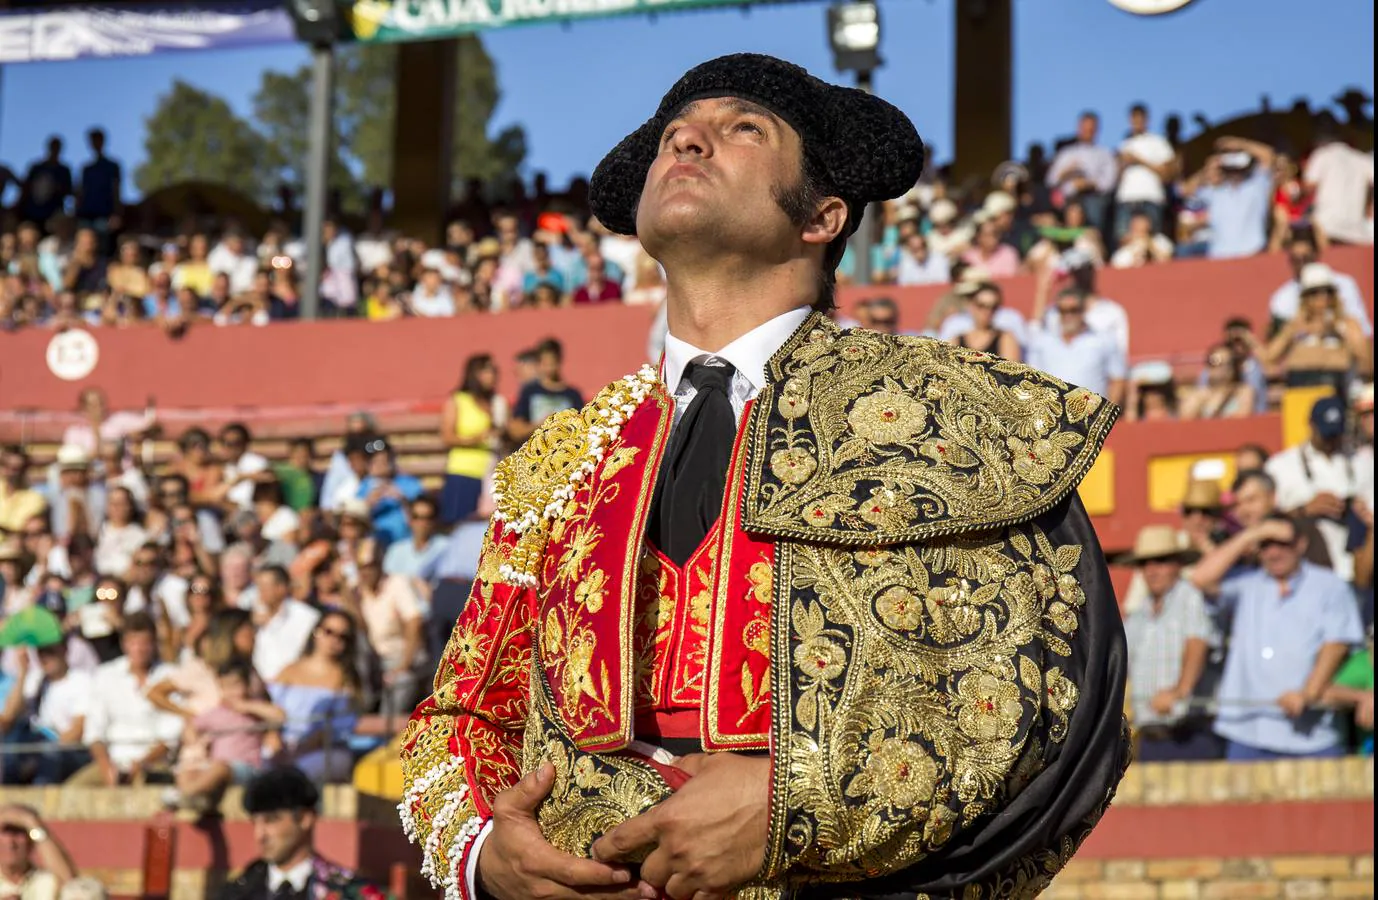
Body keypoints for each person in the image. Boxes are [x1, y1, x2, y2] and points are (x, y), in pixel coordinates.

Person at [400, 53, 1129, 900]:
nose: (688, 139)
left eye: (742, 128)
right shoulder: (560, 464)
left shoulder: (948, 417)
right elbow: (463, 714)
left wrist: (796, 805)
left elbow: (1055, 704)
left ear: (822, 216)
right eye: (677, 132)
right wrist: (486, 854)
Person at [1192, 514, 1363, 760]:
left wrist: (1308, 694)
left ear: (1301, 544)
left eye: (1282, 544)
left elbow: (1336, 645)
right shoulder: (1246, 583)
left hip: (1311, 735)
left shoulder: (1329, 585)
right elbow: (1200, 578)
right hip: (1247, 731)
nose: (1273, 553)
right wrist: (1252, 534)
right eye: (1265, 545)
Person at [1119, 526, 1218, 761]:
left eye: (1161, 561)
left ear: (1178, 564)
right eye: (1145, 563)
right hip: (1150, 733)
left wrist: (1180, 691)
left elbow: (1197, 642)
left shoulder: (1189, 597)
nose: (1152, 570)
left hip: (1190, 731)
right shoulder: (1138, 614)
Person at [217, 767, 381, 900]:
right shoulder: (237, 891)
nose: (259, 835)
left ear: (304, 819)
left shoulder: (349, 892)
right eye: (255, 823)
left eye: (271, 820)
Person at [165, 658, 280, 813]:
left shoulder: (254, 710)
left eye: (235, 685)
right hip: (216, 767)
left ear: (246, 684)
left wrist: (247, 706)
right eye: (225, 687)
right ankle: (197, 801)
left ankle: (183, 795)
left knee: (220, 767)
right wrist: (192, 735)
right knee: (188, 770)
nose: (231, 692)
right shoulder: (217, 712)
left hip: (247, 768)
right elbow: (192, 725)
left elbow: (280, 716)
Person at [1265, 396, 1361, 580]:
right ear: (1310, 425)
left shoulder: (1361, 461)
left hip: (1356, 568)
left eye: (1335, 435)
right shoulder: (1281, 466)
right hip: (1305, 574)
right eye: (1325, 435)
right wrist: (1306, 510)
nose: (1330, 442)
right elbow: (1267, 523)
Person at [266, 610, 360, 783]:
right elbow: (271, 708)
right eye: (328, 631)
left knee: (294, 776)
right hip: (283, 746)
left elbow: (336, 727)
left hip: (326, 749)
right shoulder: (289, 670)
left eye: (342, 636)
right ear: (316, 631)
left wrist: (301, 749)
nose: (334, 640)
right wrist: (272, 734)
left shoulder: (347, 679)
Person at [440, 354, 506, 526]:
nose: (492, 375)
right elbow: (447, 436)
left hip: (492, 473)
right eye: (487, 371)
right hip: (464, 471)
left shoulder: (497, 402)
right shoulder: (458, 399)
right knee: (460, 523)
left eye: (493, 371)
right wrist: (476, 439)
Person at [507, 338, 584, 442]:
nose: (549, 368)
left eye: (552, 363)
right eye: (545, 363)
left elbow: (582, 428)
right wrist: (542, 424)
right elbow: (515, 431)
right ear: (539, 364)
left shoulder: (573, 395)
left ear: (559, 361)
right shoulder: (530, 392)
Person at [0, 805, 76, 900]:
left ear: (31, 841)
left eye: (18, 834)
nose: (10, 842)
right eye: (4, 833)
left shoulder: (44, 881)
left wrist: (30, 822)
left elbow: (69, 883)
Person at [951, 282, 1021, 360]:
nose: (988, 311)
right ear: (971, 306)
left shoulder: (1005, 339)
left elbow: (1011, 369)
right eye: (981, 305)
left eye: (993, 307)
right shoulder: (957, 340)